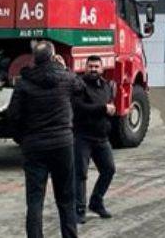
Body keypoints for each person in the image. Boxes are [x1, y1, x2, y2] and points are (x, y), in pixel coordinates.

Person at [6, 40, 83, 238]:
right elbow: (81, 88)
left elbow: (13, 116)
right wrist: (64, 67)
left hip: (34, 145)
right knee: (66, 198)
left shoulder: (24, 82)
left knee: (34, 200)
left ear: (35, 59)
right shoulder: (65, 78)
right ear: (52, 56)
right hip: (62, 144)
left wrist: (22, 139)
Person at [72, 55, 116, 224]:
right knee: (80, 174)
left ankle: (96, 202)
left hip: (101, 137)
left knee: (109, 169)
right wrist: (103, 108)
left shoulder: (106, 86)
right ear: (85, 67)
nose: (93, 69)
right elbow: (79, 108)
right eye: (90, 66)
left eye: (96, 66)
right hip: (82, 137)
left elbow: (109, 106)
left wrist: (109, 111)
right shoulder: (79, 85)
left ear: (102, 68)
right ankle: (79, 209)